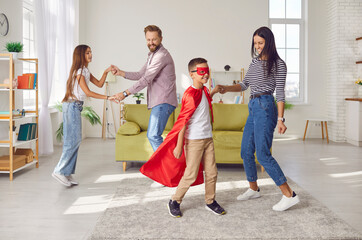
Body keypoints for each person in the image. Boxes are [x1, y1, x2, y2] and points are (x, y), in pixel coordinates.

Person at [214, 26, 300, 211]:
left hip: (266, 106)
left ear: (269, 42)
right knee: (246, 151)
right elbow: (245, 85)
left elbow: (281, 92)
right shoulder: (254, 62)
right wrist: (227, 88)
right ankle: (253, 188)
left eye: (260, 43)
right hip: (253, 106)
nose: (258, 46)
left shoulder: (279, 64)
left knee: (262, 154)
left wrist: (281, 119)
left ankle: (289, 194)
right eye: (255, 43)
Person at [140, 58, 226, 218]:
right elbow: (183, 121)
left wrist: (213, 92)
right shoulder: (190, 95)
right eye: (201, 72)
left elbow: (204, 105)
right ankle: (175, 200)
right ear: (191, 74)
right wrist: (179, 145)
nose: (205, 74)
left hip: (208, 138)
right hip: (194, 140)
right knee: (191, 173)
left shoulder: (205, 91)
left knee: (212, 172)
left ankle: (210, 201)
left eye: (207, 71)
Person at [111, 25, 177, 188]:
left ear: (161, 38)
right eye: (148, 39)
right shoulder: (152, 55)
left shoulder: (161, 55)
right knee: (154, 136)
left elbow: (146, 80)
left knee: (153, 136)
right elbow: (141, 74)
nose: (151, 42)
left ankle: (167, 172)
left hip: (163, 101)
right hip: (159, 101)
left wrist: (124, 93)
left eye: (154, 39)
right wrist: (121, 73)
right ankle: (169, 170)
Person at [52, 44, 115, 187]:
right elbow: (88, 93)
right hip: (71, 105)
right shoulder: (79, 71)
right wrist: (107, 97)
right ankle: (59, 171)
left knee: (75, 140)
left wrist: (106, 72)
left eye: (91, 52)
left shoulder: (85, 70)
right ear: (81, 55)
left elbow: (99, 84)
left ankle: (67, 173)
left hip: (75, 106)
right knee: (72, 140)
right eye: (87, 53)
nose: (90, 55)